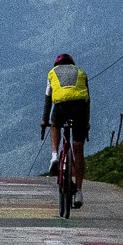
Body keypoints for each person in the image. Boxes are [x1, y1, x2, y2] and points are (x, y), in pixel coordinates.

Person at [40, 52, 90, 213]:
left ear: (57, 65)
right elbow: (87, 100)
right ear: (72, 64)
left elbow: (48, 100)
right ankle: (80, 192)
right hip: (80, 109)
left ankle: (55, 156)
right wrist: (86, 122)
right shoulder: (81, 73)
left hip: (61, 107)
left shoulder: (52, 73)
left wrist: (44, 120)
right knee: (78, 149)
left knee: (55, 125)